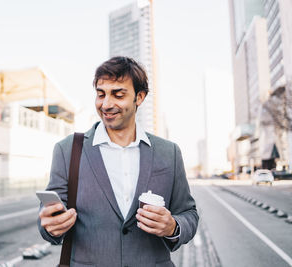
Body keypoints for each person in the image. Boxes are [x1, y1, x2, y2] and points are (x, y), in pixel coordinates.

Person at [38, 56, 199, 267]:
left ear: (139, 97)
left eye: (118, 94)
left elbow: (189, 214)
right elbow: (49, 217)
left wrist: (173, 227)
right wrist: (49, 225)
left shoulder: (169, 152)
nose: (106, 104)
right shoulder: (67, 149)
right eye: (101, 94)